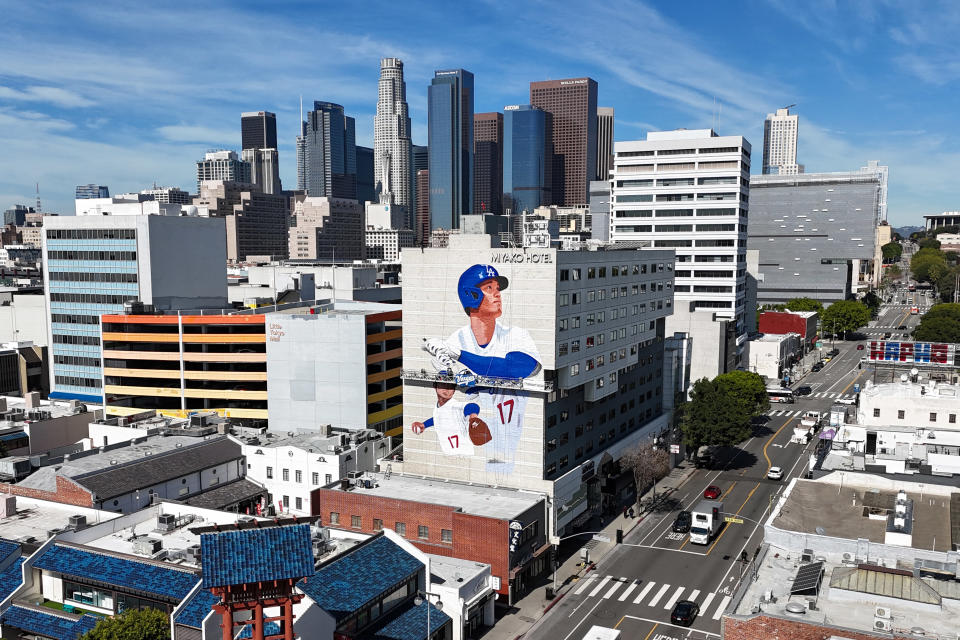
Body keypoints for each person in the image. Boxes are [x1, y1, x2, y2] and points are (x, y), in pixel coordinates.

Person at [423, 264, 541, 381]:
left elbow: (517, 368)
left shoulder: (516, 334)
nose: (498, 294)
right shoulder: (455, 340)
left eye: (498, 288)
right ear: (471, 294)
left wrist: (459, 355)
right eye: (489, 288)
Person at [411, 380, 491, 457]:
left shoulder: (455, 406)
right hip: (448, 454)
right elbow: (439, 418)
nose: (447, 389)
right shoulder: (439, 407)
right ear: (435, 386)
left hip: (462, 455)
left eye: (450, 386)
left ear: (454, 391)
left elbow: (472, 406)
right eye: (443, 384)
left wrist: (473, 417)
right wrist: (424, 425)